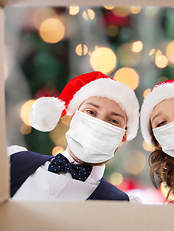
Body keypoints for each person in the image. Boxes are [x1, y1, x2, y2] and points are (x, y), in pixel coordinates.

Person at [9, 71, 140, 202]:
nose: (99, 123)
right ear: (74, 118)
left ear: (123, 137)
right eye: (91, 112)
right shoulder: (11, 159)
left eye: (114, 121)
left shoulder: (123, 205)